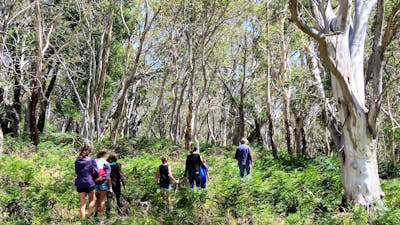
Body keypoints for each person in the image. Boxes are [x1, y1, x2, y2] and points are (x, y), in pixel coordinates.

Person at [74, 145, 97, 219]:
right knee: (91, 200)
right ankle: (89, 216)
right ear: (89, 152)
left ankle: (82, 219)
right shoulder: (91, 160)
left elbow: (77, 172)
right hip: (90, 182)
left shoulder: (77, 161)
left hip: (80, 183)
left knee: (82, 203)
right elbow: (96, 172)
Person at [106, 153, 126, 218]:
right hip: (116, 184)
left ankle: (108, 214)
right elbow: (121, 175)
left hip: (108, 184)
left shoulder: (106, 165)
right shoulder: (118, 165)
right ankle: (119, 212)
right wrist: (124, 184)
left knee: (109, 198)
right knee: (118, 198)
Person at [94, 151, 111, 218]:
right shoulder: (106, 163)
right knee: (102, 200)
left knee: (97, 199)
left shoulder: (94, 161)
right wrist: (101, 178)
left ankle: (95, 214)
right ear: (104, 155)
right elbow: (107, 175)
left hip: (95, 183)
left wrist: (95, 179)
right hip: (103, 183)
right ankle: (101, 217)